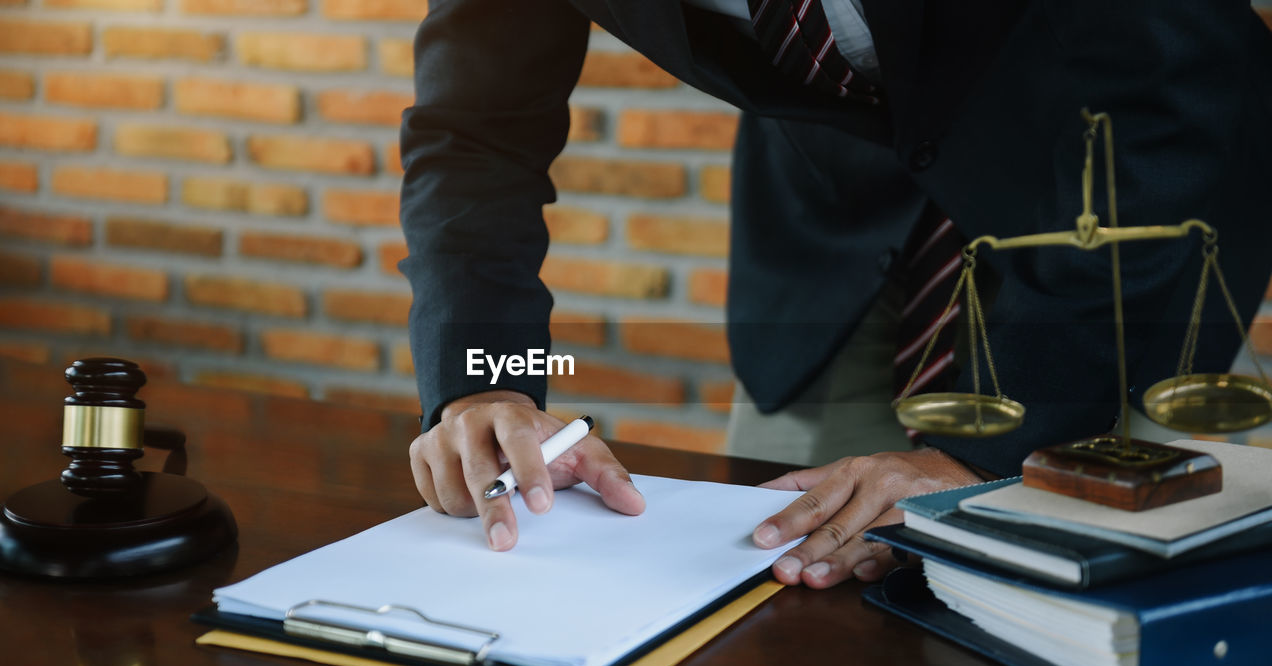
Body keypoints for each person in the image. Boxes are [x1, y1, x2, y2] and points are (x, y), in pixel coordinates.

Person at [398, 0, 1272, 588]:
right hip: (838, 230)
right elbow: (478, 134)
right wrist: (489, 380)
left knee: (1131, 608)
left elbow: (1171, 85)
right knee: (758, 578)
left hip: (1120, 217)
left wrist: (987, 456)